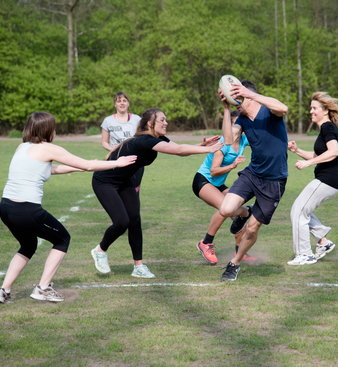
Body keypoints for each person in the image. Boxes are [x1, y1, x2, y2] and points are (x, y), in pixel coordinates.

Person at [0, 112, 136, 303]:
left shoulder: (22, 147)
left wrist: (78, 167)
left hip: (6, 207)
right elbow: (88, 165)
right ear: (48, 129)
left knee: (28, 245)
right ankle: (43, 288)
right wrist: (117, 163)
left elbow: (49, 169)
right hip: (26, 209)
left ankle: (4, 290)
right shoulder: (49, 148)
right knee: (62, 239)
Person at [91, 108, 223, 278]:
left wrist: (202, 146)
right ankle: (100, 250)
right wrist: (208, 150)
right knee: (122, 222)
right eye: (162, 120)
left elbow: (178, 149)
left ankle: (138, 266)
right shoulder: (144, 140)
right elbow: (179, 150)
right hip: (105, 181)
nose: (166, 123)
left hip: (125, 182)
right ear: (149, 123)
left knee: (135, 221)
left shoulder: (156, 138)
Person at [218, 79, 289, 281]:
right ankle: (246, 212)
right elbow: (229, 141)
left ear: (247, 94)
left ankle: (235, 263)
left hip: (274, 180)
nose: (235, 102)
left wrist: (249, 94)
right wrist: (225, 109)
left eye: (237, 96)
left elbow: (283, 108)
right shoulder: (241, 119)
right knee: (226, 209)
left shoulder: (268, 111)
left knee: (252, 228)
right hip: (253, 174)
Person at [193, 109, 257, 264]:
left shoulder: (243, 140)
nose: (236, 129)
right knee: (225, 207)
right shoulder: (222, 144)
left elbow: (259, 140)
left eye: (239, 125)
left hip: (218, 184)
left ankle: (239, 250)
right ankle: (206, 243)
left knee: (236, 212)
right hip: (203, 181)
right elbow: (214, 171)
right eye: (233, 124)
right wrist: (232, 166)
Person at [287, 92, 338, 265]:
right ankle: (323, 243)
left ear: (325, 110)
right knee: (302, 210)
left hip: (327, 180)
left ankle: (305, 254)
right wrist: (297, 150)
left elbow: (333, 152)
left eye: (314, 108)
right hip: (328, 180)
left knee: (298, 211)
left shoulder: (328, 127)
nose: (311, 111)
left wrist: (309, 163)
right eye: (310, 108)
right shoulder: (325, 129)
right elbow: (318, 154)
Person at [101, 92, 144, 192]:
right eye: (119, 101)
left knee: (134, 190)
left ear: (128, 103)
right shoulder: (108, 121)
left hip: (135, 160)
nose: (122, 103)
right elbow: (104, 142)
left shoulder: (137, 119)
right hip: (116, 159)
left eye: (124, 101)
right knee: (117, 189)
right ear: (115, 104)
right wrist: (113, 149)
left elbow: (142, 138)